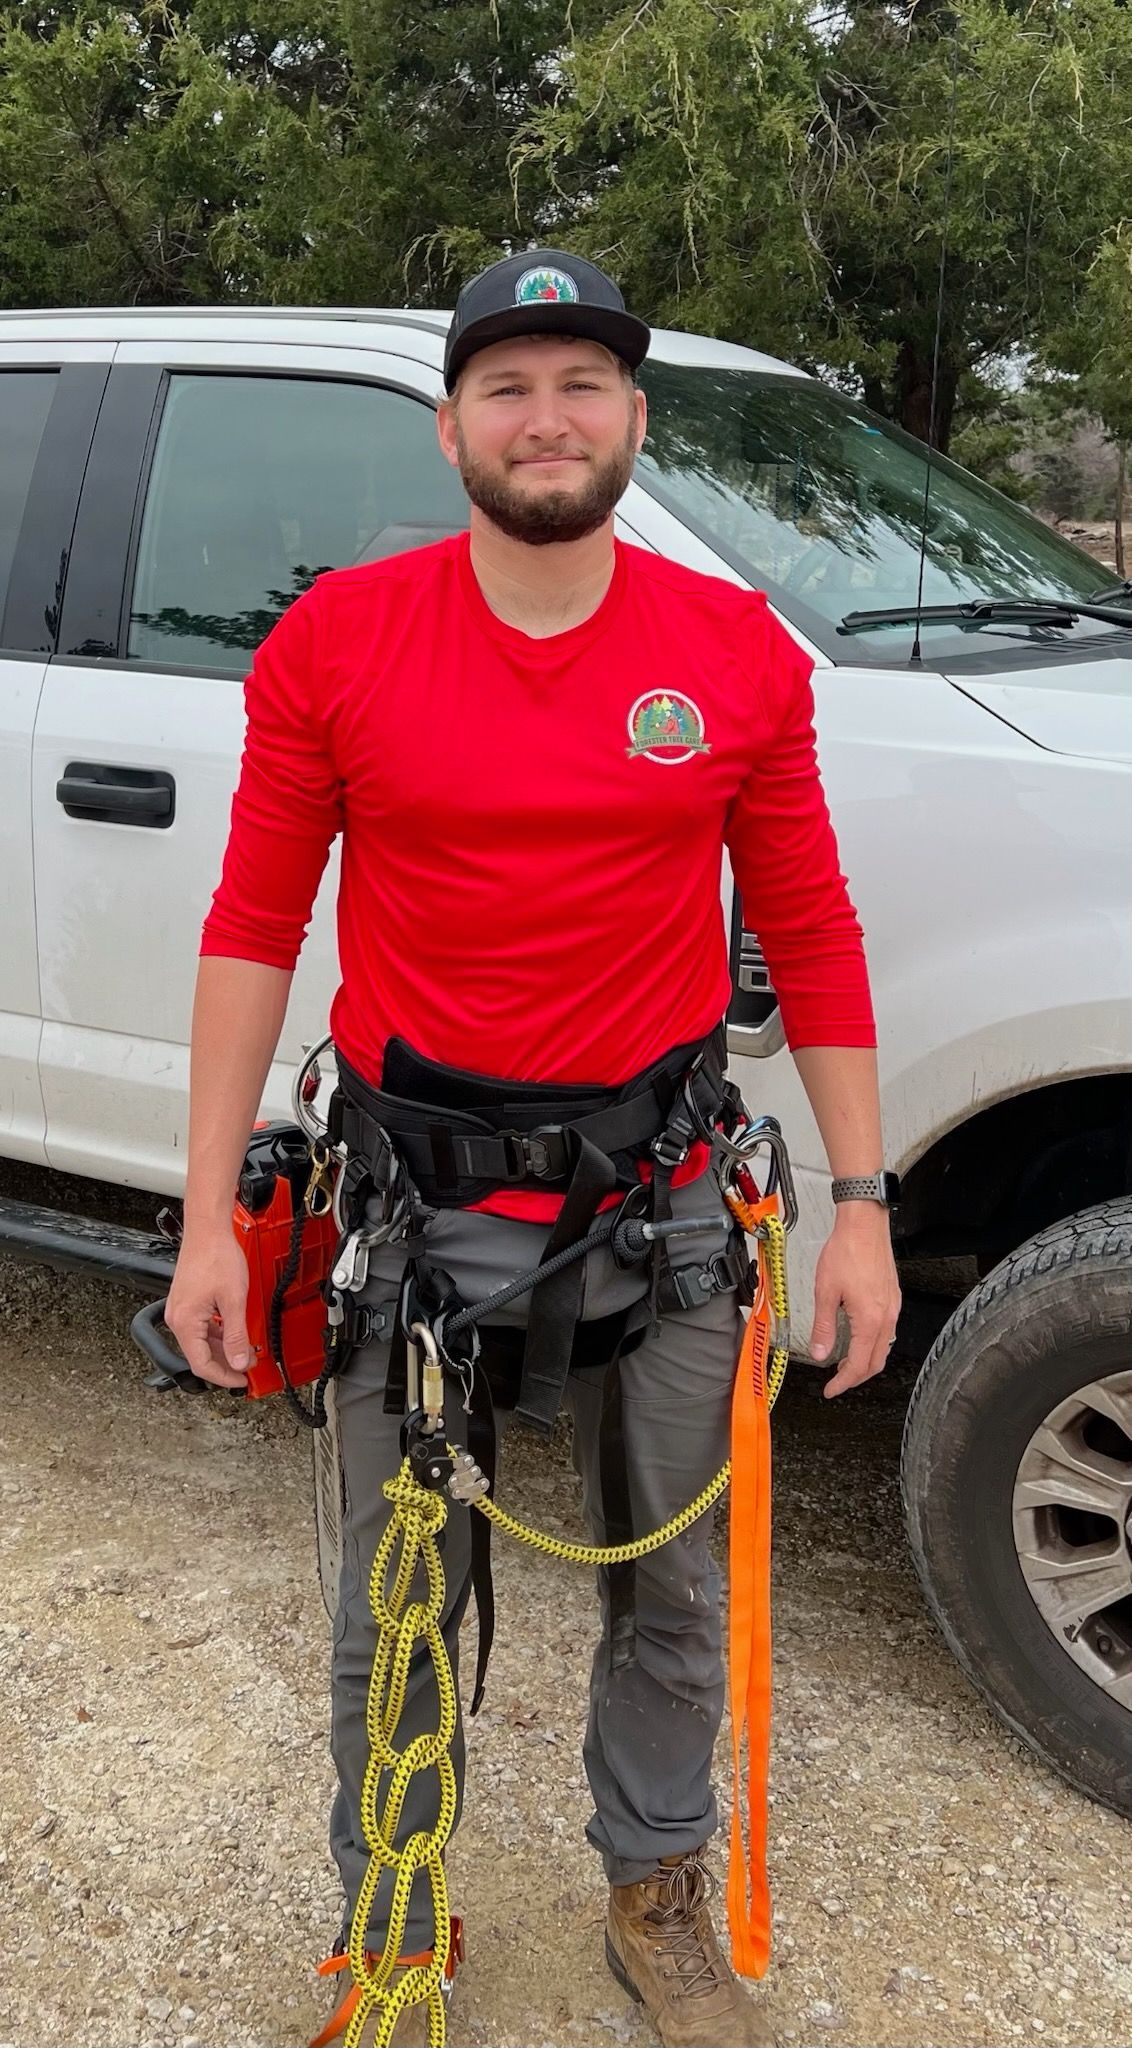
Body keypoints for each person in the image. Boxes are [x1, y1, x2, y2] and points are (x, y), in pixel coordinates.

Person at [166, 247, 902, 2048]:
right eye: (509, 386)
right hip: (416, 1213)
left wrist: (868, 1207)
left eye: (583, 384)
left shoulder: (729, 654)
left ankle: (652, 1883)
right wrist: (204, 1218)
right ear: (450, 430)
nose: (547, 416)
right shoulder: (339, 640)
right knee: (392, 1604)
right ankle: (398, 1917)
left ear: (635, 422)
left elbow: (809, 927)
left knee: (671, 1587)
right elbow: (253, 926)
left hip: (661, 1203)